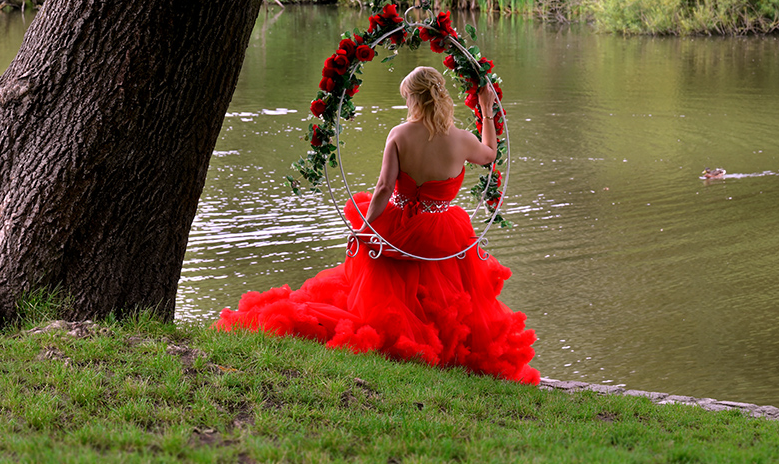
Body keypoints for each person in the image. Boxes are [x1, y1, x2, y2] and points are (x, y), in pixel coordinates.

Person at [214, 66, 539, 385]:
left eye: (406, 98)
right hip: (441, 231)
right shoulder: (463, 140)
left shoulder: (399, 134)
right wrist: (486, 108)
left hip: (400, 229)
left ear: (413, 99)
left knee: (382, 271)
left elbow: (384, 188)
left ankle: (404, 336)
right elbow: (490, 155)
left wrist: (365, 229)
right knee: (446, 285)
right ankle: (441, 347)